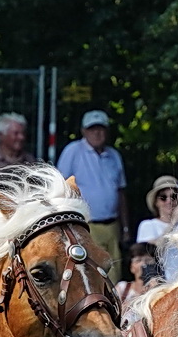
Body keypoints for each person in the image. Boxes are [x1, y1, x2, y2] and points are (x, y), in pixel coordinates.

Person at [55, 110, 128, 271]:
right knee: (90, 271)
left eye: (101, 128)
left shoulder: (114, 155)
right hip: (86, 225)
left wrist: (125, 228)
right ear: (83, 131)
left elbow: (120, 192)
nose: (97, 132)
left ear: (107, 131)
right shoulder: (72, 151)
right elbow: (61, 188)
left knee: (114, 270)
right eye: (92, 128)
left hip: (112, 225)